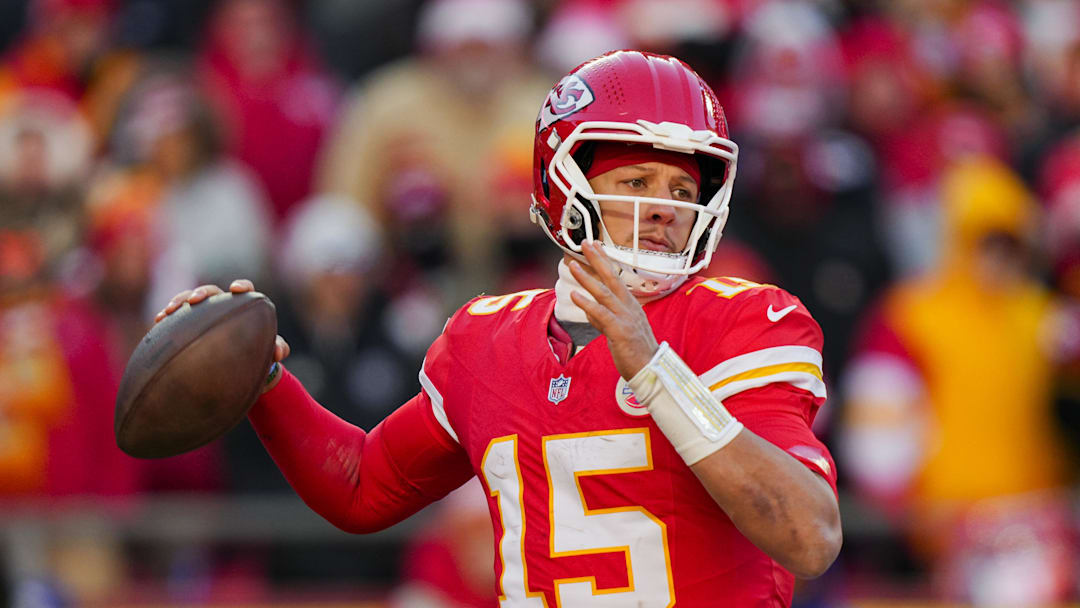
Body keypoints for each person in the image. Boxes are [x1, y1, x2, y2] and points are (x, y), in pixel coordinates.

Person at [156, 51, 841, 606]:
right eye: (636, 181)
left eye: (683, 191)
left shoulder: (745, 318)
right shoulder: (486, 337)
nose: (664, 208)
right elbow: (362, 488)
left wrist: (652, 366)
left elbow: (809, 534)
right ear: (561, 183)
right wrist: (262, 381)